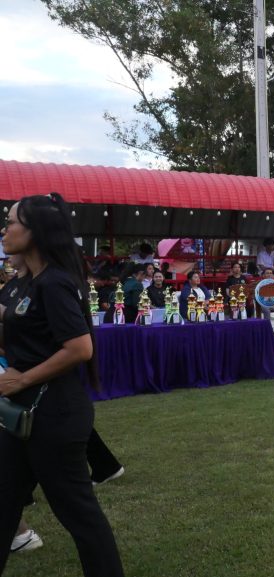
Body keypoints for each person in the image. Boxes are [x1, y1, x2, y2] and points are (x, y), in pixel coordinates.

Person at [0, 193, 125, 575]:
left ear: (35, 231)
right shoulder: (24, 282)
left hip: (54, 415)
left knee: (79, 515)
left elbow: (80, 348)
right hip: (21, 414)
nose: (4, 230)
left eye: (11, 222)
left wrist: (23, 378)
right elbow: (23, 339)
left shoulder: (54, 283)